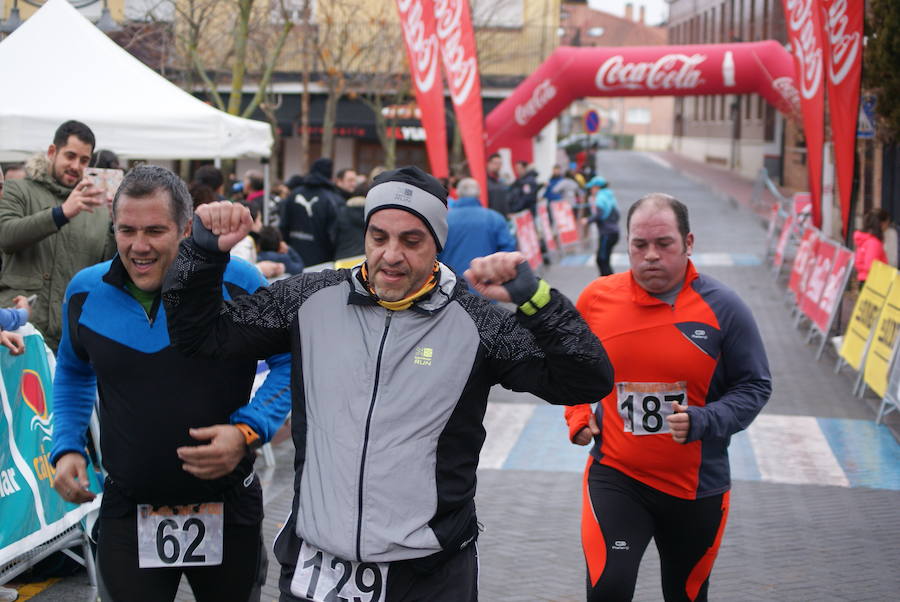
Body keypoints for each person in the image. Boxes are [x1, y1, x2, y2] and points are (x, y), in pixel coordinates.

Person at [162, 165, 613, 602]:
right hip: (318, 567)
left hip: (427, 574)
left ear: (437, 244)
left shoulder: (476, 323)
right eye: (379, 238)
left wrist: (538, 301)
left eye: (411, 241)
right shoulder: (309, 299)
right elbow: (199, 336)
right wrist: (202, 255)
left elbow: (586, 380)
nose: (392, 255)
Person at [50, 165, 292, 602]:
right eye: (126, 230)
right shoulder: (85, 292)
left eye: (154, 231)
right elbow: (73, 370)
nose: (138, 246)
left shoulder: (237, 282)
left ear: (185, 229)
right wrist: (67, 445)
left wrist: (248, 430)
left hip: (227, 503)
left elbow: (289, 362)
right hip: (128, 506)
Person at [564, 193, 771, 602]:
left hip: (696, 488)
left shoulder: (724, 308)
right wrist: (578, 414)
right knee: (608, 590)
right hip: (617, 475)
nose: (651, 256)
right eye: (639, 245)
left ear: (688, 243)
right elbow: (571, 370)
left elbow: (755, 386)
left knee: (686, 595)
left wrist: (703, 420)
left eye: (664, 244)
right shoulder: (597, 299)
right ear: (627, 244)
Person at [0, 120, 115, 352]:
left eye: (84, 160)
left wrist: (118, 226)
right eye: (70, 156)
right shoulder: (18, 189)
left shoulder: (98, 209)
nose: (76, 166)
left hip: (72, 334)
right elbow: (6, 236)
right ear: (52, 152)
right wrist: (60, 213)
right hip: (19, 332)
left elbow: (109, 268)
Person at [438, 177, 517, 290]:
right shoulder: (494, 218)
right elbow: (508, 250)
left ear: (457, 193)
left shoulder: (443, 220)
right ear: (479, 194)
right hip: (486, 285)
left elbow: (435, 253)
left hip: (451, 286)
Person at [279, 157, 343, 266]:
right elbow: (335, 235)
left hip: (294, 259)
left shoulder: (294, 194)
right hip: (321, 262)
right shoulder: (332, 199)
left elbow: (283, 226)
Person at [585, 176, 620, 276]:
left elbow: (599, 215)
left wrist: (587, 220)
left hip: (607, 233)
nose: (591, 190)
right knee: (604, 260)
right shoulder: (610, 195)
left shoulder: (600, 198)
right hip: (614, 232)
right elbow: (617, 215)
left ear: (597, 187)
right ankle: (608, 281)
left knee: (601, 260)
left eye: (592, 187)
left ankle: (609, 282)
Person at [853, 208, 890, 286]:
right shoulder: (873, 243)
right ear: (882, 224)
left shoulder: (867, 240)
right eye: (887, 223)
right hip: (872, 281)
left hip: (866, 279)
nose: (887, 226)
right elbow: (871, 266)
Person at [333, 183, 368, 261]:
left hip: (343, 260)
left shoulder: (341, 213)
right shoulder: (373, 214)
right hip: (365, 259)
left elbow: (333, 236)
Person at [486, 153, 511, 217]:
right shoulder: (484, 180)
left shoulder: (501, 181)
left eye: (500, 164)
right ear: (489, 164)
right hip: (490, 215)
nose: (498, 166)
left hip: (501, 216)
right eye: (495, 163)